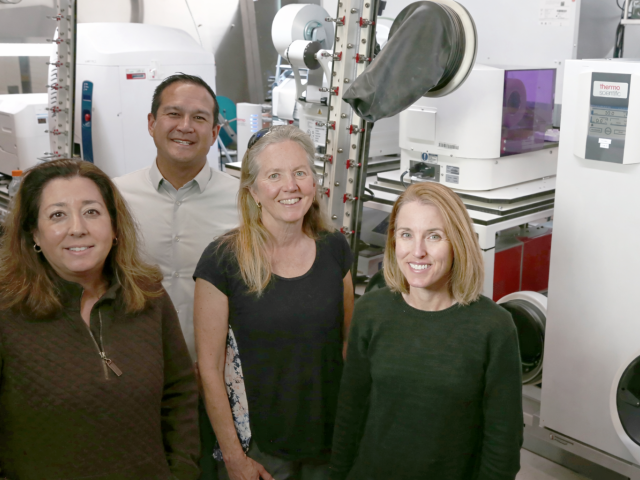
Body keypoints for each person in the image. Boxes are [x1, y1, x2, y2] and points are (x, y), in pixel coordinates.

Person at [0, 159, 199, 480]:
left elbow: (179, 394)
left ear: (115, 226)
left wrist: (182, 472)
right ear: (34, 233)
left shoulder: (149, 296)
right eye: (57, 215)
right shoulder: (7, 312)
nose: (77, 227)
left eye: (92, 211)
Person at [330, 182, 523, 480]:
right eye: (406, 235)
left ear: (457, 242)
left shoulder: (494, 328)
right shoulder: (371, 310)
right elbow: (350, 413)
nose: (417, 251)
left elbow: (503, 445)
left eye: (433, 236)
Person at [194, 125, 355, 480]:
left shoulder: (334, 248)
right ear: (252, 190)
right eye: (274, 175)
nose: (291, 186)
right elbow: (209, 369)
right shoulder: (223, 260)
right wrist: (235, 459)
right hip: (261, 451)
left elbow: (347, 344)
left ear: (314, 182)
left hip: (329, 443)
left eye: (300, 172)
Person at [113, 73, 239, 479]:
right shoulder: (114, 198)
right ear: (151, 123)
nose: (186, 126)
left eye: (200, 118)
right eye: (173, 114)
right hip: (137, 384)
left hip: (218, 386)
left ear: (216, 131)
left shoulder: (245, 203)